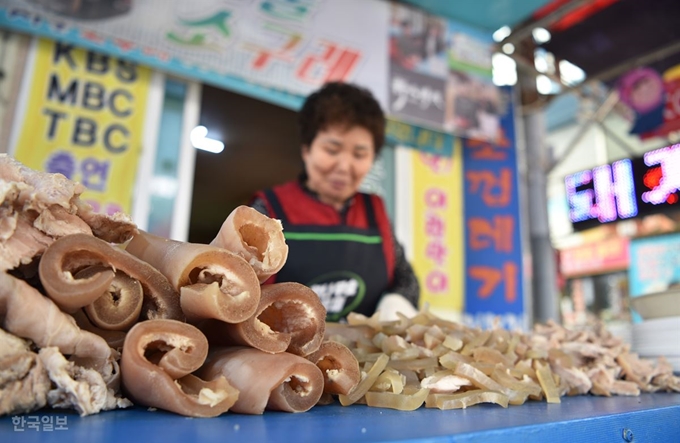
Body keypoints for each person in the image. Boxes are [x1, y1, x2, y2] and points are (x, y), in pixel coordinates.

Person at [250, 82, 420, 322]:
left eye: (359, 154)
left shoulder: (375, 210)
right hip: (284, 355)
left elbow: (407, 281)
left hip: (366, 356)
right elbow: (239, 289)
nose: (344, 166)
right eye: (332, 150)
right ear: (307, 150)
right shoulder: (268, 208)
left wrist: (395, 304)